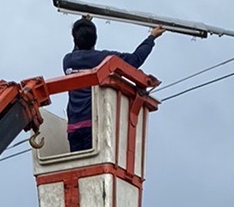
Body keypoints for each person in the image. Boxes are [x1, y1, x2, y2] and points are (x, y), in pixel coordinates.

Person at [62, 13, 164, 152]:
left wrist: (83, 22)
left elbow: (77, 52)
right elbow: (135, 60)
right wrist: (151, 37)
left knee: (79, 169)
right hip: (94, 125)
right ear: (95, 39)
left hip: (73, 128)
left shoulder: (68, 61)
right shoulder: (102, 59)